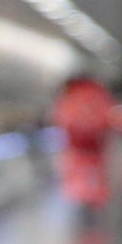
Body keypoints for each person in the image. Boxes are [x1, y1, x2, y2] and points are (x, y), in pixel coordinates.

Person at [49, 70, 116, 219]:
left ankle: (82, 202)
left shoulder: (68, 95)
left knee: (79, 175)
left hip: (75, 146)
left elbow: (61, 119)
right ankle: (94, 201)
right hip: (96, 145)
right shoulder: (98, 92)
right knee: (94, 174)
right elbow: (107, 118)